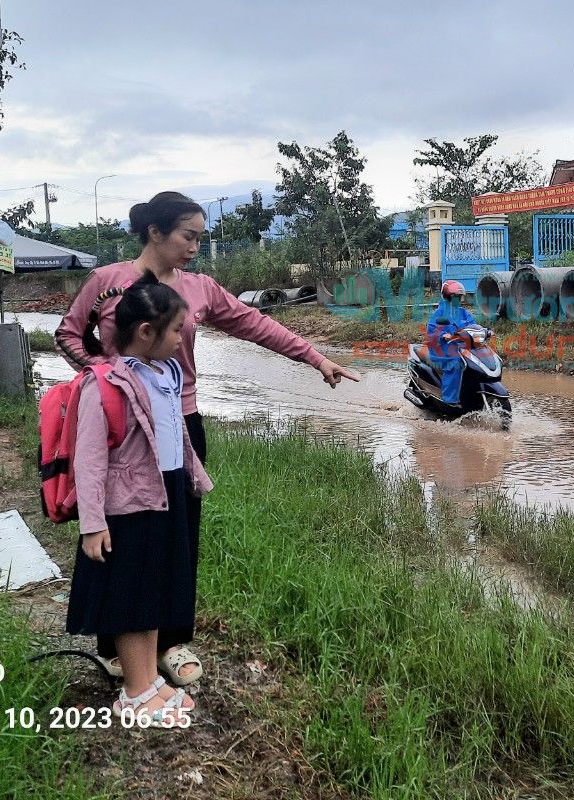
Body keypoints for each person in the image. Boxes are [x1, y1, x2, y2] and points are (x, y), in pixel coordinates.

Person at [55, 191, 358, 684]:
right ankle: (116, 645)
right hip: (121, 429)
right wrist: (107, 376)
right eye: (187, 236)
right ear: (156, 233)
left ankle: (170, 642)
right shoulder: (107, 282)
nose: (195, 246)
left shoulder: (200, 289)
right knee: (123, 536)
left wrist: (315, 357)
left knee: (177, 535)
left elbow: (255, 323)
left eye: (200, 237)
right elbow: (68, 334)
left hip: (180, 424)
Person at [65, 272, 204, 725]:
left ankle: (149, 679)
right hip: (124, 507)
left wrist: (194, 477)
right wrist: (92, 522)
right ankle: (134, 692)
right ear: (147, 333)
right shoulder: (105, 382)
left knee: (154, 590)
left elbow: (176, 432)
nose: (182, 339)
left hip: (163, 497)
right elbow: (87, 460)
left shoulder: (168, 370)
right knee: (128, 596)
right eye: (176, 331)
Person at [425, 280, 474, 407]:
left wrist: (485, 331)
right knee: (455, 364)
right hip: (442, 349)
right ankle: (450, 402)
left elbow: (473, 326)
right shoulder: (440, 313)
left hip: (461, 348)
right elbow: (432, 330)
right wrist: (443, 336)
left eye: (460, 297)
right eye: (456, 297)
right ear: (448, 297)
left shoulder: (463, 312)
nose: (459, 299)